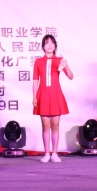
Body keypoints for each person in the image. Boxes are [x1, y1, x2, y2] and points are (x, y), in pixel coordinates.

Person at [32, 34, 74, 163]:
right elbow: (35, 80)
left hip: (56, 95)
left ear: (55, 45)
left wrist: (66, 66)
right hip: (43, 95)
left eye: (52, 43)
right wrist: (34, 96)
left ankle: (54, 153)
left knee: (55, 125)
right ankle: (46, 153)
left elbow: (71, 76)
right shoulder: (38, 61)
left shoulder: (60, 60)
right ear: (43, 46)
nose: (49, 45)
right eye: (47, 43)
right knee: (45, 126)